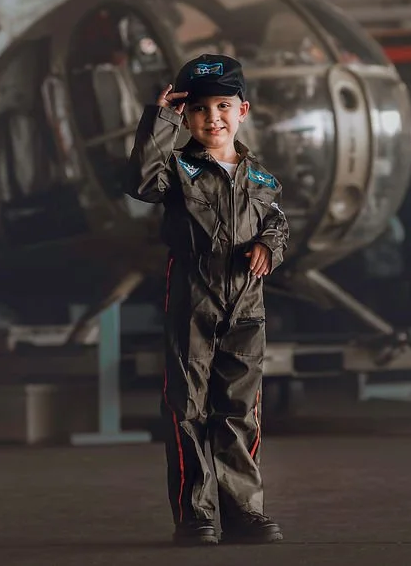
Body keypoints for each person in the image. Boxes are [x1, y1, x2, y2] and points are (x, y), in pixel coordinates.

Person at [125, 54, 290, 546]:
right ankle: (197, 516)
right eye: (196, 109)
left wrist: (269, 246)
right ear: (185, 115)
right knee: (188, 408)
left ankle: (243, 512)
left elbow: (277, 222)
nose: (211, 118)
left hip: (247, 307)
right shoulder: (176, 171)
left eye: (223, 105)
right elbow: (138, 183)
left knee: (240, 410)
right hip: (192, 301)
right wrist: (161, 120)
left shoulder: (262, 180)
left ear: (244, 110)